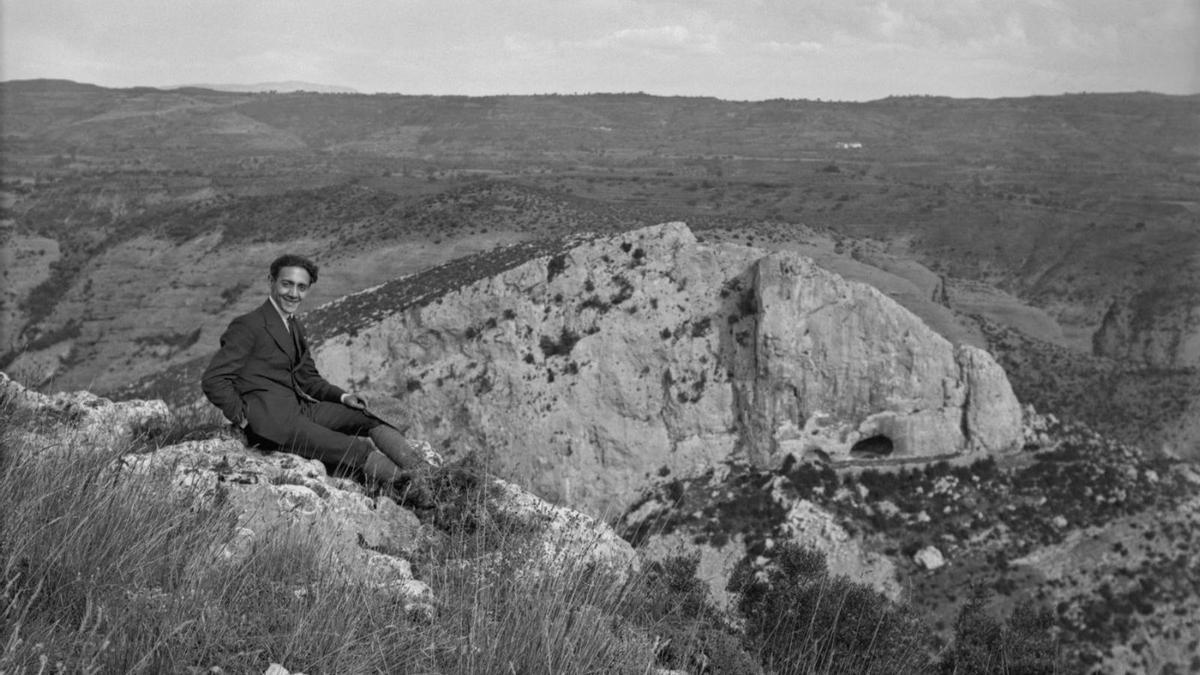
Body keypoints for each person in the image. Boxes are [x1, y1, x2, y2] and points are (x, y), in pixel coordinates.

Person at [201, 253, 428, 487]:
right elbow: (214, 380)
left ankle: (428, 473)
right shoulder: (248, 325)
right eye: (287, 284)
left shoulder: (294, 325)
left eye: (301, 287)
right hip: (274, 424)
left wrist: (344, 397)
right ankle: (421, 490)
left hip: (300, 410)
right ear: (271, 280)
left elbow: (308, 378)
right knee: (356, 449)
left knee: (370, 415)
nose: (293, 293)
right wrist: (245, 419)